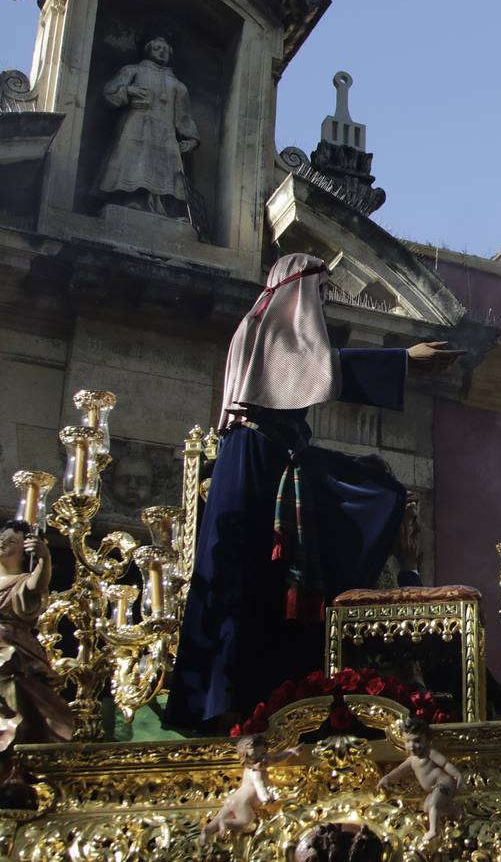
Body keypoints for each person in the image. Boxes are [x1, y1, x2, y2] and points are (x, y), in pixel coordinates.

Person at [167, 254, 461, 730]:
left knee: (372, 489)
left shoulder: (266, 333)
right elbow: (316, 370)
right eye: (319, 295)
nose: (321, 306)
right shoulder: (265, 328)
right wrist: (404, 359)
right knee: (245, 585)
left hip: (272, 465)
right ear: (295, 290)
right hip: (256, 472)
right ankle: (233, 702)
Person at [97, 35, 199, 219]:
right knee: (134, 163)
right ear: (148, 50)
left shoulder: (178, 86)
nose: (162, 52)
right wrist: (128, 91)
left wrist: (191, 140)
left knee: (166, 171)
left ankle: (160, 208)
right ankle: (131, 202)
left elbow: (185, 118)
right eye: (158, 48)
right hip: (136, 126)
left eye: (166, 50)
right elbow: (110, 93)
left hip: (166, 134)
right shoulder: (132, 70)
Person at [0, 520, 74, 748]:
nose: (3, 543)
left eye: (12, 541)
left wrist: (44, 559)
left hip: (9, 645)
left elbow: (36, 586)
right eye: (1, 539)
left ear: (24, 552)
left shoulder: (21, 582)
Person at [199, 735, 300, 843]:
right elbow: (259, 785)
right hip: (244, 803)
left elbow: (276, 758)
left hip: (234, 798)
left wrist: (291, 751)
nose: (263, 759)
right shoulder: (257, 772)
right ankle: (227, 823)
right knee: (246, 820)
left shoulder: (254, 766)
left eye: (264, 753)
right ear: (246, 760)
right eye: (256, 758)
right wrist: (265, 797)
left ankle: (207, 831)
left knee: (218, 818)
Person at [378, 717, 463, 840]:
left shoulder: (430, 753)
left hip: (444, 784)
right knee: (427, 808)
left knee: (434, 805)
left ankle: (434, 830)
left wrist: (458, 774)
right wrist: (386, 778)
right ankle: (454, 810)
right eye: (408, 741)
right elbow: (399, 770)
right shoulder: (412, 759)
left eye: (417, 741)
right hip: (434, 789)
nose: (412, 746)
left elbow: (445, 764)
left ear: (427, 740)